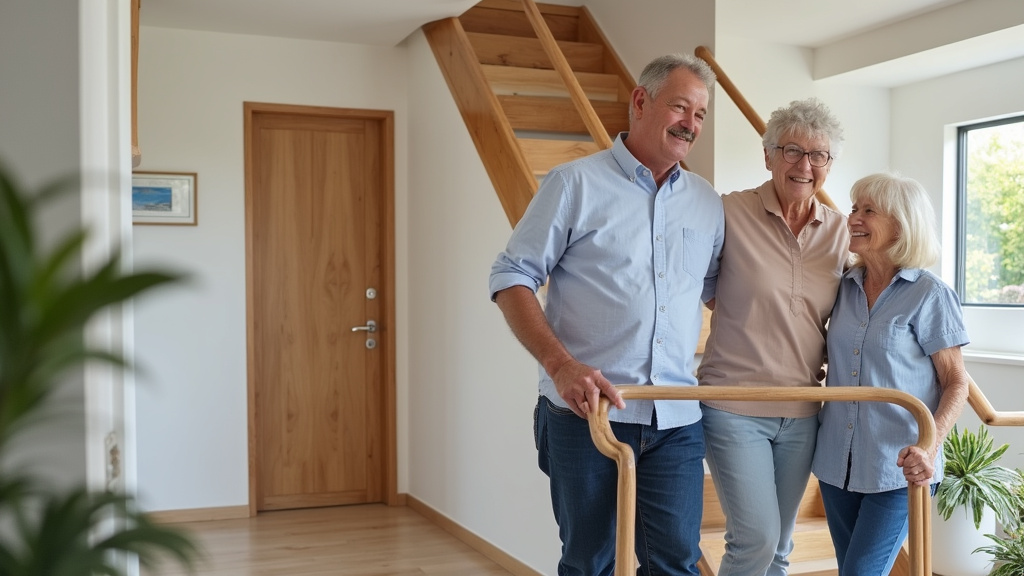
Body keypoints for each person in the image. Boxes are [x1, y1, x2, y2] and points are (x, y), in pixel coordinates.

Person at [488, 53, 724, 576]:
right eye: (680, 107)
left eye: (701, 115)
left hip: (675, 418)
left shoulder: (708, 204)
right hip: (586, 416)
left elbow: (719, 293)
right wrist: (560, 365)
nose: (691, 124)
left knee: (676, 566)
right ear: (641, 101)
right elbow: (511, 276)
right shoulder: (574, 184)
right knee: (589, 563)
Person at [696, 97, 849, 576]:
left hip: (803, 411)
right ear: (767, 156)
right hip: (733, 405)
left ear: (828, 165)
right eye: (791, 151)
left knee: (779, 548)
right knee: (755, 540)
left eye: (818, 155)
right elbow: (694, 281)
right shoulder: (729, 212)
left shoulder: (842, 233)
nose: (805, 165)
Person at [812, 172, 970, 576]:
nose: (854, 219)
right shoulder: (843, 286)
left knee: (861, 572)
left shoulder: (929, 294)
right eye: (853, 209)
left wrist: (930, 447)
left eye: (869, 211)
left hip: (898, 469)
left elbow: (956, 382)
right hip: (836, 465)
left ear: (901, 224)